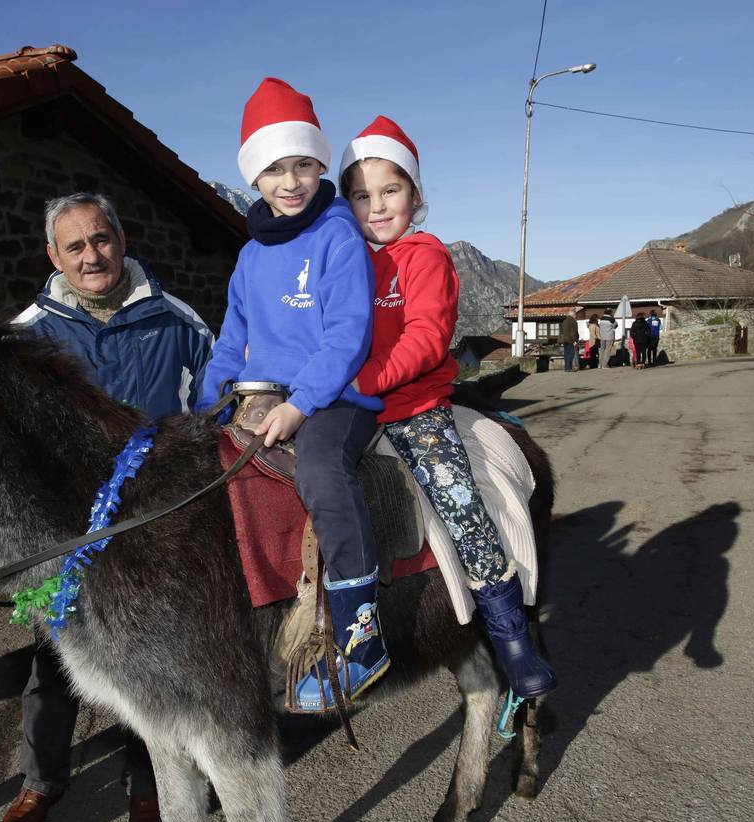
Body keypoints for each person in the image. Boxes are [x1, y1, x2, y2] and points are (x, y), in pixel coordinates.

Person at [3, 191, 215, 822]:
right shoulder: (26, 333)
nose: (92, 255)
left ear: (121, 240)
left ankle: (146, 787)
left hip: (153, 525)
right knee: (54, 663)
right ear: (53, 256)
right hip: (63, 530)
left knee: (144, 662)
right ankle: (41, 782)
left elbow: (215, 406)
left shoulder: (179, 322)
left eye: (101, 239)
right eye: (76, 246)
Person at [339, 115, 556, 699]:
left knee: (460, 502)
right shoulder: (345, 259)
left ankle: (510, 638)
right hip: (350, 405)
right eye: (362, 195)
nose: (377, 206)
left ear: (415, 195)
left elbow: (426, 336)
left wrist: (365, 378)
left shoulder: (425, 256)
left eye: (391, 190)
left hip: (413, 406)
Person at [195, 78, 382, 711]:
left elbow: (348, 333)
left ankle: (362, 631)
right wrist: (203, 407)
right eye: (275, 168)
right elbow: (230, 343)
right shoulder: (249, 256)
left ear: (321, 164)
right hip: (261, 396)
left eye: (303, 164)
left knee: (324, 472)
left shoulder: (336, 235)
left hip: (332, 397)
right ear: (255, 177)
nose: (291, 180)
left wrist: (301, 403)